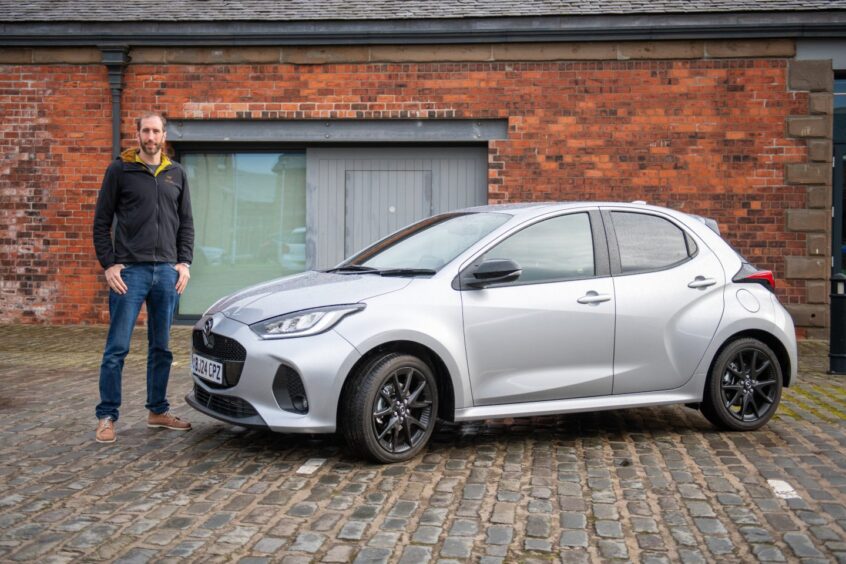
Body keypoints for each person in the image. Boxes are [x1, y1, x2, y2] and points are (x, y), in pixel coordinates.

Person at [92, 112, 194, 443]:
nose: (150, 137)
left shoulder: (176, 173)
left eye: (156, 131)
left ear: (165, 136)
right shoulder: (120, 171)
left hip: (166, 273)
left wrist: (184, 263)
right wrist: (109, 264)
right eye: (145, 131)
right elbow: (101, 221)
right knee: (117, 348)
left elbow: (186, 222)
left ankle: (157, 411)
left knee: (162, 347)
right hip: (129, 273)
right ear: (137, 135)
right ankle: (107, 415)